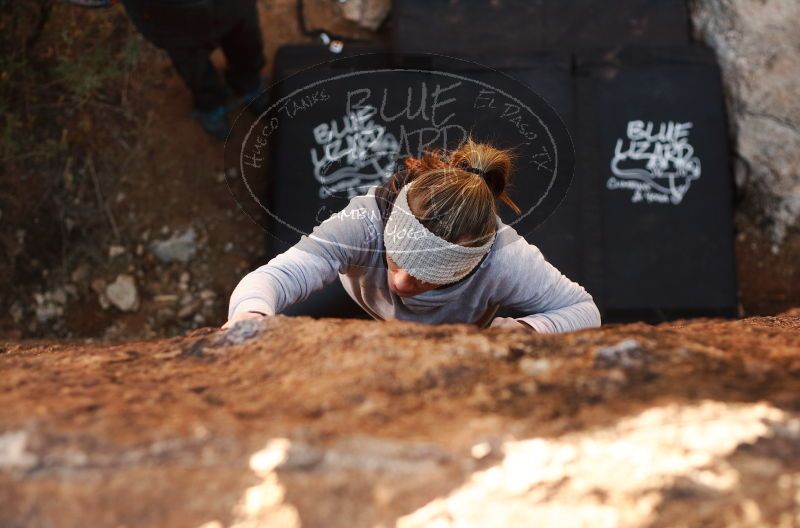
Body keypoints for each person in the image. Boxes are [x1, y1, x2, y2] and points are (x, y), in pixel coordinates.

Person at [224, 138, 601, 333]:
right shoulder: (365, 220)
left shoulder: (505, 258)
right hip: (361, 305)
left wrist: (522, 333)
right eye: (395, 258)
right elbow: (278, 275)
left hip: (457, 339)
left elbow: (583, 311)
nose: (401, 283)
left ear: (468, 266)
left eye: (427, 276)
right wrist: (250, 315)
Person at [119, 0, 268, 140]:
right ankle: (210, 103)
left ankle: (248, 82)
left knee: (246, 44)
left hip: (235, 7)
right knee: (195, 69)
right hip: (172, 22)